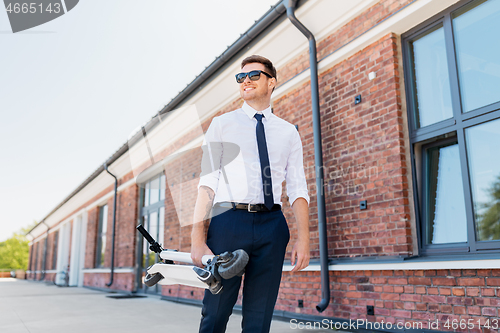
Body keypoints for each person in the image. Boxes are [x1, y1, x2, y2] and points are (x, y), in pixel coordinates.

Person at [191, 55, 310, 333]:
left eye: (254, 75)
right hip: (228, 223)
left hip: (272, 228)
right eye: (241, 77)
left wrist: (304, 238)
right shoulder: (222, 125)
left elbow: (297, 188)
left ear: (271, 82)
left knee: (259, 320)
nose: (245, 80)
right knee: (215, 314)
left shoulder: (289, 133)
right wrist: (197, 239)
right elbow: (207, 183)